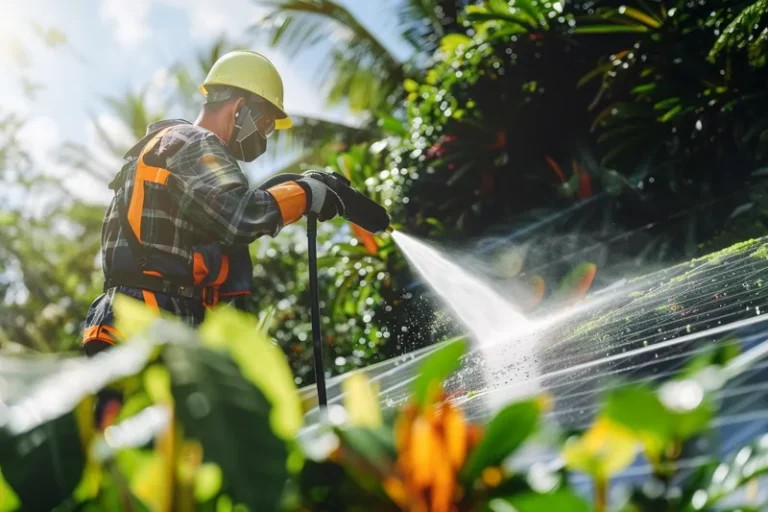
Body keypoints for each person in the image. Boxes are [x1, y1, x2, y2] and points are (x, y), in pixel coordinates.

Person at [81, 50, 346, 426]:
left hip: (130, 323)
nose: (264, 137)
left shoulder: (164, 144)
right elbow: (240, 216)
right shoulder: (195, 142)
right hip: (152, 325)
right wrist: (306, 194)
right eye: (265, 123)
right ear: (239, 109)